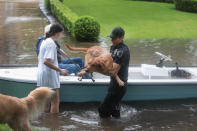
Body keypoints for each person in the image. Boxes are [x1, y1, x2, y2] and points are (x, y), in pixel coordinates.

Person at [98, 27, 130, 118]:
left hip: (119, 86)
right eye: (111, 37)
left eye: (114, 38)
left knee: (103, 110)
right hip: (114, 83)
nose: (111, 40)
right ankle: (117, 126)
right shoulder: (113, 47)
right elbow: (108, 62)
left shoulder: (123, 51)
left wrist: (96, 69)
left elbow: (112, 71)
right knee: (114, 110)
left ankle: (106, 127)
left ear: (121, 38)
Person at [37, 23, 68, 113]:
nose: (61, 36)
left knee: (46, 102)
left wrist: (63, 54)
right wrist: (60, 70)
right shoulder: (50, 43)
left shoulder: (45, 41)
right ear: (57, 33)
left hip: (42, 74)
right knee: (55, 102)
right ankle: (54, 125)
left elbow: (40, 57)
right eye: (61, 33)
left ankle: (45, 125)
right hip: (49, 75)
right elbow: (46, 61)